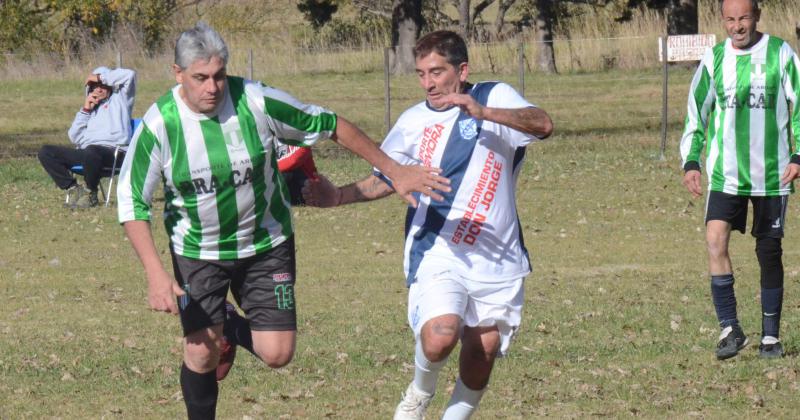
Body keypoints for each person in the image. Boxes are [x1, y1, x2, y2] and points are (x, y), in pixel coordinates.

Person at [116, 22, 448, 419]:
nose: (212, 87)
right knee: (201, 351)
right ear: (177, 74)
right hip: (198, 250)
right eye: (200, 78)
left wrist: (396, 170)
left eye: (219, 76)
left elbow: (331, 125)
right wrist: (155, 273)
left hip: (266, 244)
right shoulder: (159, 125)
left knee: (278, 354)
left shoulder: (256, 100)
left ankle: (226, 323)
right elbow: (132, 202)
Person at [303, 30, 553, 420]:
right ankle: (419, 394)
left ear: (462, 69)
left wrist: (485, 114)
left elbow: (542, 123)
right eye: (421, 73)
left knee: (483, 351)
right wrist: (339, 196)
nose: (428, 83)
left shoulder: (494, 96)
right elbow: (387, 177)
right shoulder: (413, 121)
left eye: (437, 72)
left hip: (498, 256)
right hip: (438, 248)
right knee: (440, 335)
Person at [680, 0, 800, 360]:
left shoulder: (781, 54)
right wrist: (691, 160)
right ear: (723, 20)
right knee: (715, 240)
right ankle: (730, 329)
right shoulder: (713, 59)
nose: (738, 26)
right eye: (730, 19)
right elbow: (695, 112)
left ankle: (770, 337)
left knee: (769, 252)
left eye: (744, 17)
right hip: (724, 173)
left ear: (757, 15)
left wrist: (798, 154)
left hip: (772, 173)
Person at [38, 66, 136, 208]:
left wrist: (98, 77)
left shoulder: (121, 99)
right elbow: (74, 137)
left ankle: (91, 193)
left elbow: (130, 74)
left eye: (102, 86)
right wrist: (85, 110)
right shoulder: (88, 110)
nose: (99, 89)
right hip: (89, 154)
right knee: (46, 152)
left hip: (114, 152)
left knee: (92, 151)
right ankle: (75, 189)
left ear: (110, 86)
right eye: (95, 87)